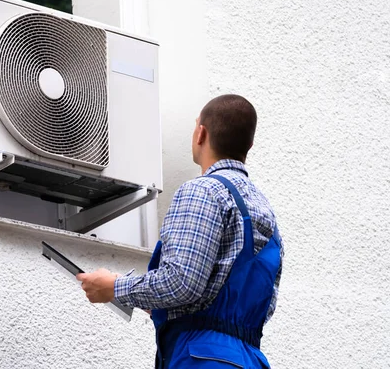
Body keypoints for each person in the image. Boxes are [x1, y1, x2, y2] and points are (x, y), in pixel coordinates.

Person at [76, 94, 283, 368]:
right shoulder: (265, 211)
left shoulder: (202, 191)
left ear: (201, 134)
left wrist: (114, 287)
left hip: (201, 359)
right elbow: (256, 305)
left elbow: (182, 282)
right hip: (247, 360)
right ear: (249, 145)